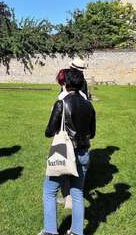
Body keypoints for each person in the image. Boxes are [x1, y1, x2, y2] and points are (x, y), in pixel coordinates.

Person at [40, 69, 96, 235]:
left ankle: (50, 231)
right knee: (77, 193)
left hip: (64, 152)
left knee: (49, 191)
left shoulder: (61, 103)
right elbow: (92, 133)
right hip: (83, 152)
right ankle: (77, 232)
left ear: (65, 83)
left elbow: (49, 131)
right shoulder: (89, 104)